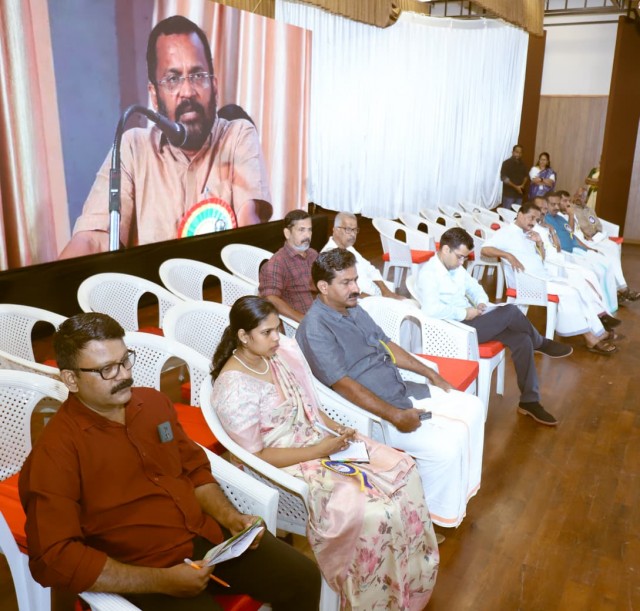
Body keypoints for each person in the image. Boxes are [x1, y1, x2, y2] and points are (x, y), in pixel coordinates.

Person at [19, 313, 321, 611]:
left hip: (204, 538)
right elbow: (55, 557)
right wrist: (162, 581)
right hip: (141, 566)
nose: (123, 375)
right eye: (107, 369)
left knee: (304, 578)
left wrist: (230, 517)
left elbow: (194, 470)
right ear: (71, 379)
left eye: (125, 361)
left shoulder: (152, 404)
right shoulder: (55, 453)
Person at [210, 296, 439, 610]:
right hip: (285, 464)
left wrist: (337, 431)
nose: (277, 338)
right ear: (243, 336)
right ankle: (370, 599)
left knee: (404, 469)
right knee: (375, 510)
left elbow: (310, 408)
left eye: (277, 329)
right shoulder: (233, 388)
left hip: (318, 441)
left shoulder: (275, 356)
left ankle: (407, 586)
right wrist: (321, 449)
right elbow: (257, 456)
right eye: (267, 332)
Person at [296, 248, 485, 528]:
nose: (356, 288)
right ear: (324, 287)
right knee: (445, 447)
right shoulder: (315, 328)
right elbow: (344, 386)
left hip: (399, 387)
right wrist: (395, 416)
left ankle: (454, 502)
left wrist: (429, 373)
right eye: (346, 282)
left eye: (355, 280)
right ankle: (427, 520)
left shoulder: (353, 308)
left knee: (473, 407)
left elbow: (386, 344)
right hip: (372, 412)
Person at [60, 15, 272, 259]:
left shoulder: (237, 136)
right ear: (154, 94)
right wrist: (49, 281)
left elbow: (248, 225)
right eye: (172, 79)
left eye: (197, 75)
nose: (187, 91)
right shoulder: (133, 148)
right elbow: (93, 240)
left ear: (214, 86)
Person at [481, 203, 620, 356]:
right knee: (571, 292)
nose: (533, 222)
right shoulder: (505, 232)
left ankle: (598, 331)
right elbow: (485, 249)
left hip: (542, 277)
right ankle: (591, 339)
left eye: (536, 219)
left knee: (580, 286)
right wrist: (508, 255)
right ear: (520, 214)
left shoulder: (528, 233)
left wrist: (539, 243)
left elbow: (541, 259)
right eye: (530, 218)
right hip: (527, 282)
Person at [544, 192, 622, 312]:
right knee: (597, 271)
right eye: (552, 204)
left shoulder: (560, 218)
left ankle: (610, 305)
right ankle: (598, 309)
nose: (556, 207)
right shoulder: (545, 220)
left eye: (557, 204)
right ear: (545, 205)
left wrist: (588, 248)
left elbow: (572, 235)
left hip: (577, 249)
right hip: (566, 255)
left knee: (606, 264)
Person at [557, 190, 639, 303]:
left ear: (586, 199)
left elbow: (588, 227)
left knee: (612, 251)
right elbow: (571, 233)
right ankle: (621, 290)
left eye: (568, 200)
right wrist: (588, 244)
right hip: (582, 244)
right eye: (565, 201)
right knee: (608, 257)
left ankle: (619, 289)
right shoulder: (568, 213)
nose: (569, 203)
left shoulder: (579, 211)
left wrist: (590, 236)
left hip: (590, 240)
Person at [259, 210, 318, 322]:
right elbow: (270, 298)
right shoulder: (277, 263)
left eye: (309, 230)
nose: (307, 235)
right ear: (287, 233)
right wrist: (303, 320)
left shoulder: (313, 254)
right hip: (303, 321)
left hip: (324, 313)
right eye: (301, 230)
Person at [500, 144, 528, 210]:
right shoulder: (506, 163)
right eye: (517, 152)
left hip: (519, 194)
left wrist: (522, 185)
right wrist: (516, 187)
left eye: (520, 153)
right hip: (509, 194)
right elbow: (504, 178)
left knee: (516, 213)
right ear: (513, 152)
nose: (518, 154)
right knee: (506, 213)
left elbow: (526, 176)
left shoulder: (523, 164)